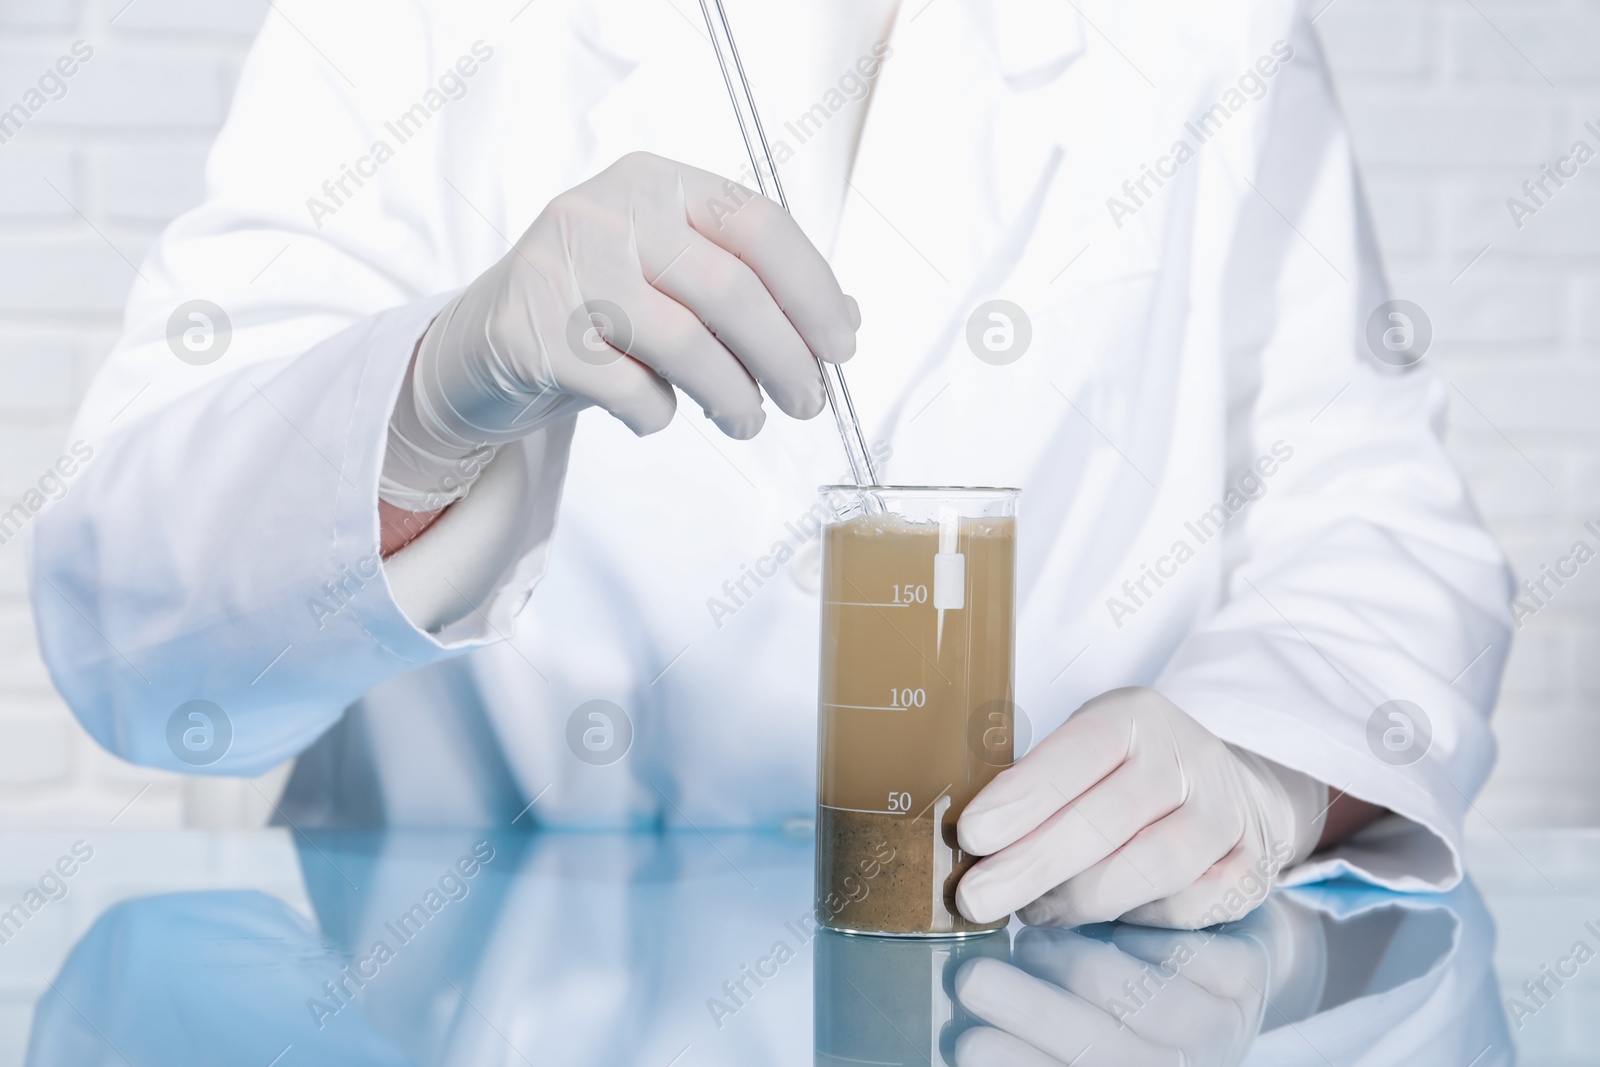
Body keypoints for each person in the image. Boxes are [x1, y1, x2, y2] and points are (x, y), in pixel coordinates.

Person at [31, 0, 1511, 930]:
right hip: (446, 1001)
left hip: (1032, 988)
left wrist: (1269, 764)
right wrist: (425, 403)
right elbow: (132, 638)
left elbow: (1376, 518)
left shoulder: (1209, 26)